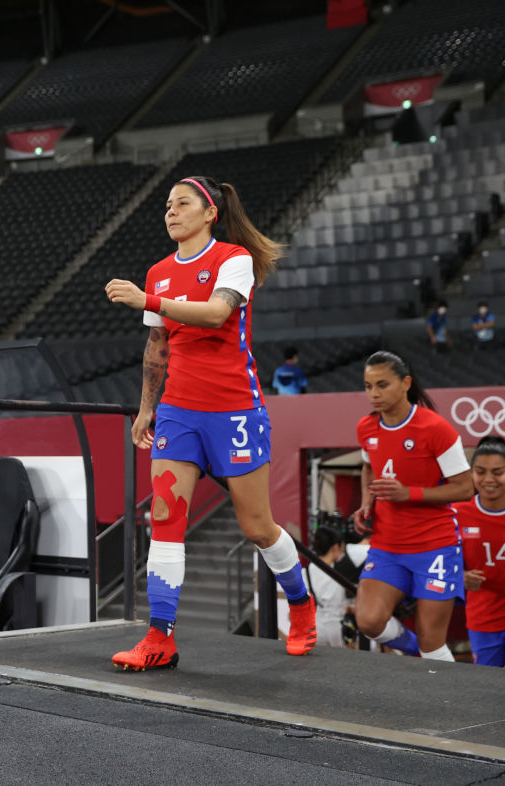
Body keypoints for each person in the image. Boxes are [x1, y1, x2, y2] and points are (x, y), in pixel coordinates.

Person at [104, 174, 317, 670]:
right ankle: (160, 637)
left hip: (235, 411)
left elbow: (217, 314)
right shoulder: (158, 271)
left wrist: (147, 301)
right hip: (179, 411)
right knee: (164, 518)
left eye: (181, 204)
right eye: (167, 205)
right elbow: (157, 348)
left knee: (258, 526)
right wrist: (146, 407)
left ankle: (301, 605)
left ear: (209, 213)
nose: (170, 212)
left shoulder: (232, 260)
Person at [350, 351, 473, 661]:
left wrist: (410, 494)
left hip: (435, 546)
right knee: (368, 621)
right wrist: (367, 501)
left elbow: (465, 488)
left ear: (405, 383)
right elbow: (368, 466)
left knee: (433, 643)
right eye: (367, 386)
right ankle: (413, 650)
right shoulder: (366, 428)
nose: (374, 394)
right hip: (387, 546)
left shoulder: (435, 428)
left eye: (382, 385)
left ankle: (446, 699)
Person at [454, 436, 505, 668]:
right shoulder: (457, 513)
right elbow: (437, 560)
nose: (489, 479)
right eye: (480, 472)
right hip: (483, 619)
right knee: (492, 688)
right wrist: (459, 576)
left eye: (497, 472)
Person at [303, 526, 350, 648]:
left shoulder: (304, 573)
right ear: (335, 547)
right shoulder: (338, 576)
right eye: (342, 547)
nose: (343, 552)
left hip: (309, 631)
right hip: (334, 634)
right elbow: (337, 611)